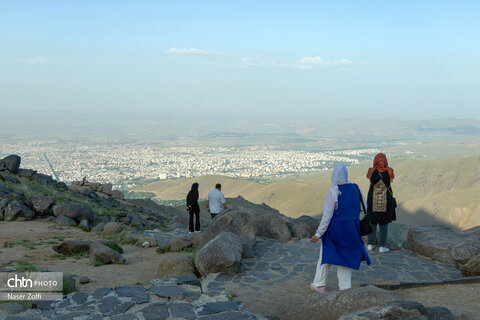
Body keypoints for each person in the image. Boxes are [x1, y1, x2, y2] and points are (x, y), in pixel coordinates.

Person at [310, 164, 371, 293]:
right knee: (346, 259)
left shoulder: (333, 191)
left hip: (335, 232)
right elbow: (364, 206)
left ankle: (319, 284)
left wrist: (318, 234)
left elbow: (327, 216)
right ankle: (345, 289)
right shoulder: (356, 188)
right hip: (352, 230)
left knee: (326, 255)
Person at [366, 153, 396, 253]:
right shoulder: (389, 171)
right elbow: (389, 185)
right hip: (385, 200)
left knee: (372, 221)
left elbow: (371, 182)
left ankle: (371, 244)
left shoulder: (371, 171)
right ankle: (383, 246)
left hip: (372, 199)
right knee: (384, 223)